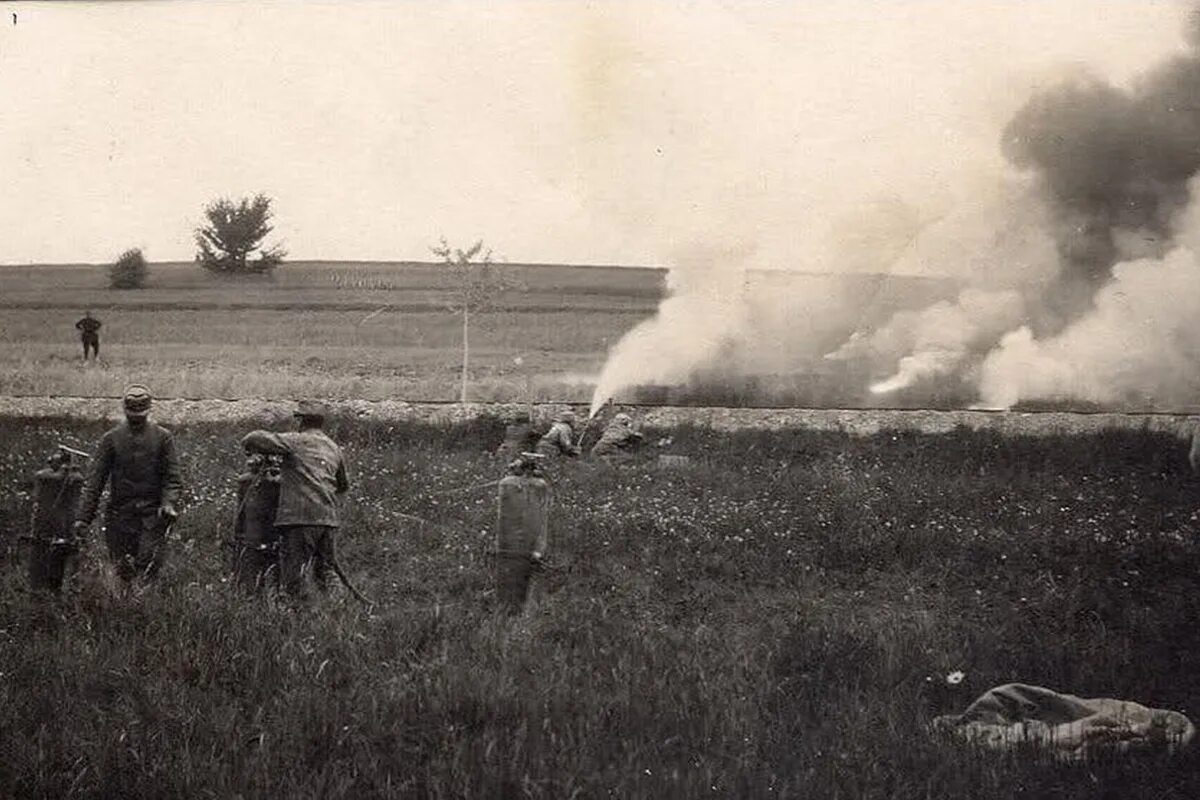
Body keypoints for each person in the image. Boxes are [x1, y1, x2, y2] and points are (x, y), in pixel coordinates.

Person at [72, 385, 183, 584]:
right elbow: (96, 482)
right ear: (125, 410)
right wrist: (83, 518)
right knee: (122, 570)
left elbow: (172, 479)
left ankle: (146, 609)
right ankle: (123, 609)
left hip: (152, 516)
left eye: (141, 415)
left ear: (149, 410)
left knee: (148, 567)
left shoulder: (163, 437)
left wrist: (168, 503)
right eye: (133, 414)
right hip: (120, 517)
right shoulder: (111, 439)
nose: (137, 419)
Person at [241, 400, 349, 603]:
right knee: (326, 571)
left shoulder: (296, 441)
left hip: (300, 518)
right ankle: (338, 610)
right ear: (321, 422)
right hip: (328, 519)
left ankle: (300, 618)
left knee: (294, 575)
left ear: (300, 421)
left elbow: (252, 438)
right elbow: (343, 485)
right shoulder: (333, 447)